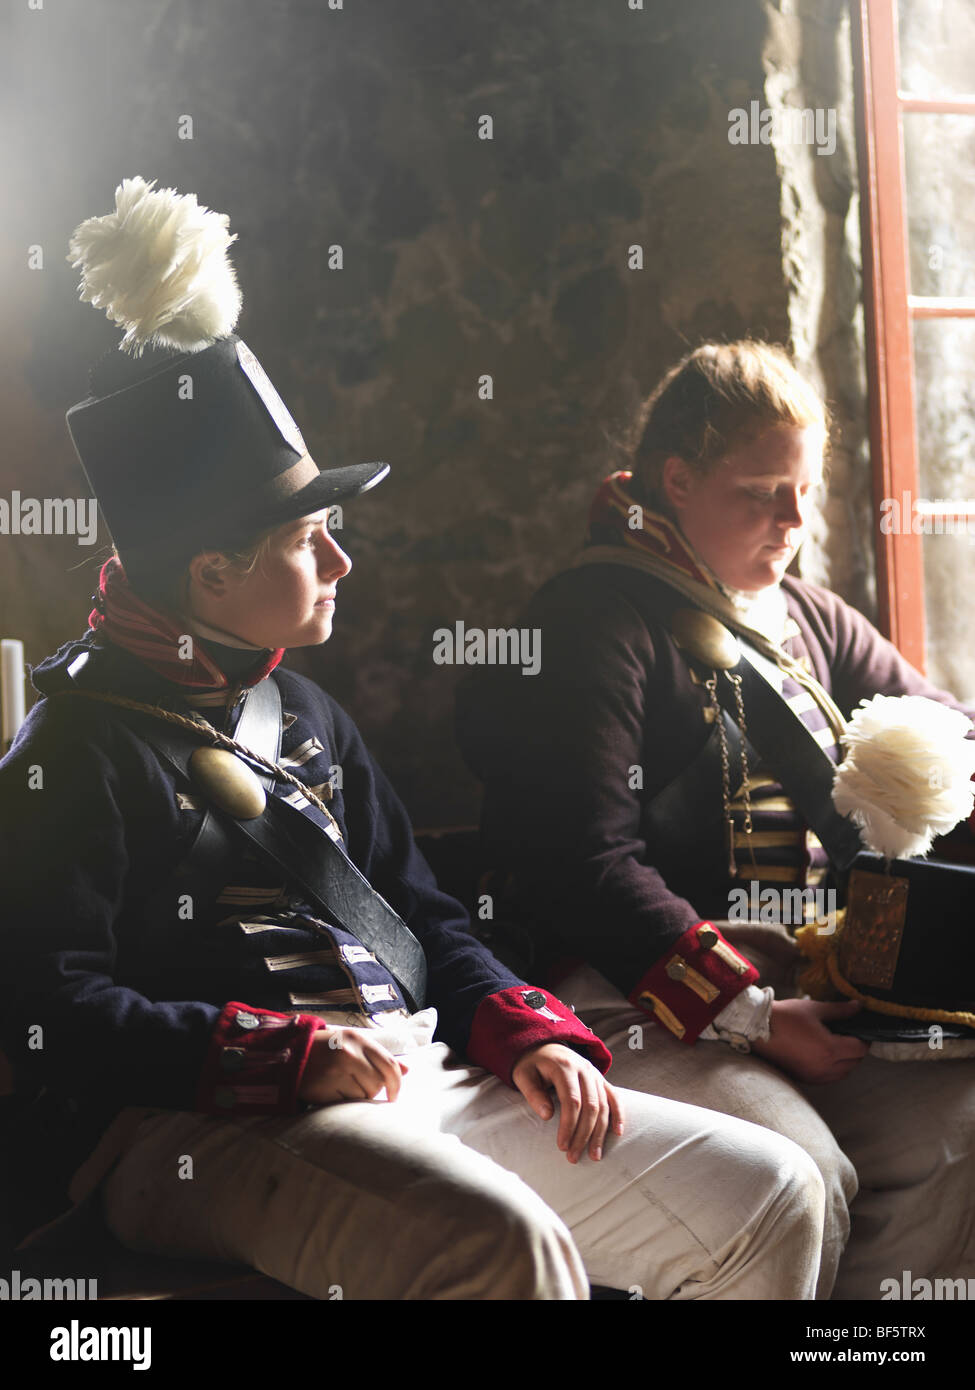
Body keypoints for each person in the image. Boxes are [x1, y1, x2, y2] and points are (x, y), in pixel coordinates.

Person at [0, 185, 827, 1302]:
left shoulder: (305, 715)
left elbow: (423, 913)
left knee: (774, 1192)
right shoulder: (73, 754)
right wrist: (281, 1054)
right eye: (307, 538)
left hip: (417, 1071)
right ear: (211, 574)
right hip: (186, 1134)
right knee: (503, 1247)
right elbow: (50, 1009)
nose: (341, 564)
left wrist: (522, 1031)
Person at [456, 340, 975, 1301]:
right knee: (795, 1173)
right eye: (759, 492)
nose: (792, 519)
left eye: (803, 491)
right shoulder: (591, 622)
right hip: (634, 995)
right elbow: (579, 862)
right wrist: (748, 1015)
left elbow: (950, 737)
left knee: (959, 1125)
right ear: (677, 480)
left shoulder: (808, 620)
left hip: (804, 987)